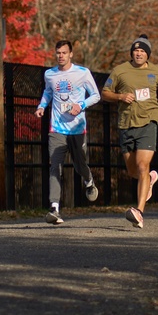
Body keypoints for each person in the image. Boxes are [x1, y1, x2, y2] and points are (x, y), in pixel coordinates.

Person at [102, 34, 158, 229]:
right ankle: (149, 180)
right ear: (132, 53)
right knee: (133, 170)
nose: (139, 54)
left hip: (149, 122)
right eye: (136, 50)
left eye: (142, 51)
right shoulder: (120, 71)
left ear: (147, 55)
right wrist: (120, 96)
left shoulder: (156, 71)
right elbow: (104, 93)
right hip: (126, 124)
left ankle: (139, 212)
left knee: (142, 165)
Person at [36, 40, 102, 225]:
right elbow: (48, 92)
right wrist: (42, 106)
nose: (61, 56)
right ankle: (54, 208)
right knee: (54, 167)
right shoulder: (49, 74)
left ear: (71, 54)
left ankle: (88, 181)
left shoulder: (82, 73)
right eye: (58, 53)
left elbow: (96, 95)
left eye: (64, 53)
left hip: (77, 128)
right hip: (56, 128)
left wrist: (80, 105)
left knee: (79, 165)